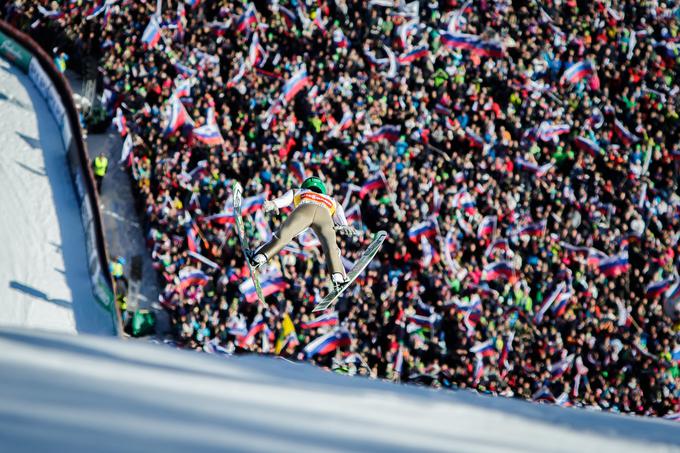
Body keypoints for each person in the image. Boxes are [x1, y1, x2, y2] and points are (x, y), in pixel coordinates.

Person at [250, 176, 357, 290]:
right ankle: (338, 276)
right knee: (331, 247)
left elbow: (286, 199)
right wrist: (345, 225)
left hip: (304, 209)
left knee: (284, 236)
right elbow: (339, 214)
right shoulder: (331, 200)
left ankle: (260, 256)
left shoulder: (300, 191)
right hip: (324, 215)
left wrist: (274, 203)